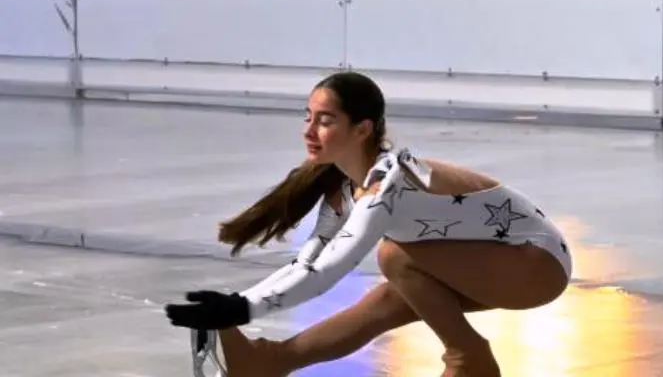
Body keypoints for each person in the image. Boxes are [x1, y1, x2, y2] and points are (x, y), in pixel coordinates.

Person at [165, 72, 573, 377]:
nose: (309, 130)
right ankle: (268, 362)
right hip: (495, 263)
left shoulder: (387, 184)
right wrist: (237, 306)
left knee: (395, 256)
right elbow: (306, 264)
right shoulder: (343, 188)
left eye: (325, 120)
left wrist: (240, 308)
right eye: (308, 117)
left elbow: (330, 271)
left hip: (536, 265)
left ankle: (469, 360)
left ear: (361, 129)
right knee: (387, 299)